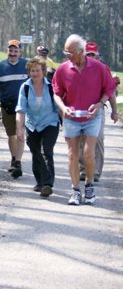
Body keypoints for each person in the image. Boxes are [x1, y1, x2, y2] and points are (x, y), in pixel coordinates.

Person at [52, 34, 115, 205]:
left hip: (92, 117)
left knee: (88, 153)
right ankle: (75, 190)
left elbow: (109, 89)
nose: (67, 55)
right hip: (71, 117)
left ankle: (89, 185)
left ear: (81, 51)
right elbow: (56, 93)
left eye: (70, 52)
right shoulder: (62, 69)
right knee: (72, 154)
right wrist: (63, 108)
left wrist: (100, 104)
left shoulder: (99, 68)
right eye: (65, 52)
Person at [16, 57, 60, 197]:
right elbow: (21, 110)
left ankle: (47, 184)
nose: (35, 73)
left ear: (44, 71)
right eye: (32, 71)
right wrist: (19, 129)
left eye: (38, 70)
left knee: (45, 150)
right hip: (32, 125)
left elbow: (58, 107)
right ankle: (40, 182)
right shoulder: (26, 87)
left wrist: (69, 124)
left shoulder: (51, 86)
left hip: (50, 123)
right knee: (36, 153)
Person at [0, 40, 28, 178]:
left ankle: (18, 162)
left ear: (20, 52)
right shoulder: (0, 67)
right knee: (11, 134)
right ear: (7, 51)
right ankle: (14, 156)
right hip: (7, 105)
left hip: (22, 106)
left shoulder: (26, 65)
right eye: (10, 51)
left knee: (20, 132)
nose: (13, 54)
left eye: (16, 51)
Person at [78, 42, 119, 182]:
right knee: (82, 138)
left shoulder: (103, 69)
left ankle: (95, 171)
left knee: (98, 138)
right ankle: (84, 169)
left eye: (92, 55)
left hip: (98, 108)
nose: (90, 57)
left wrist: (114, 111)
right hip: (80, 109)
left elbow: (110, 91)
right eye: (87, 54)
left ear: (97, 56)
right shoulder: (78, 67)